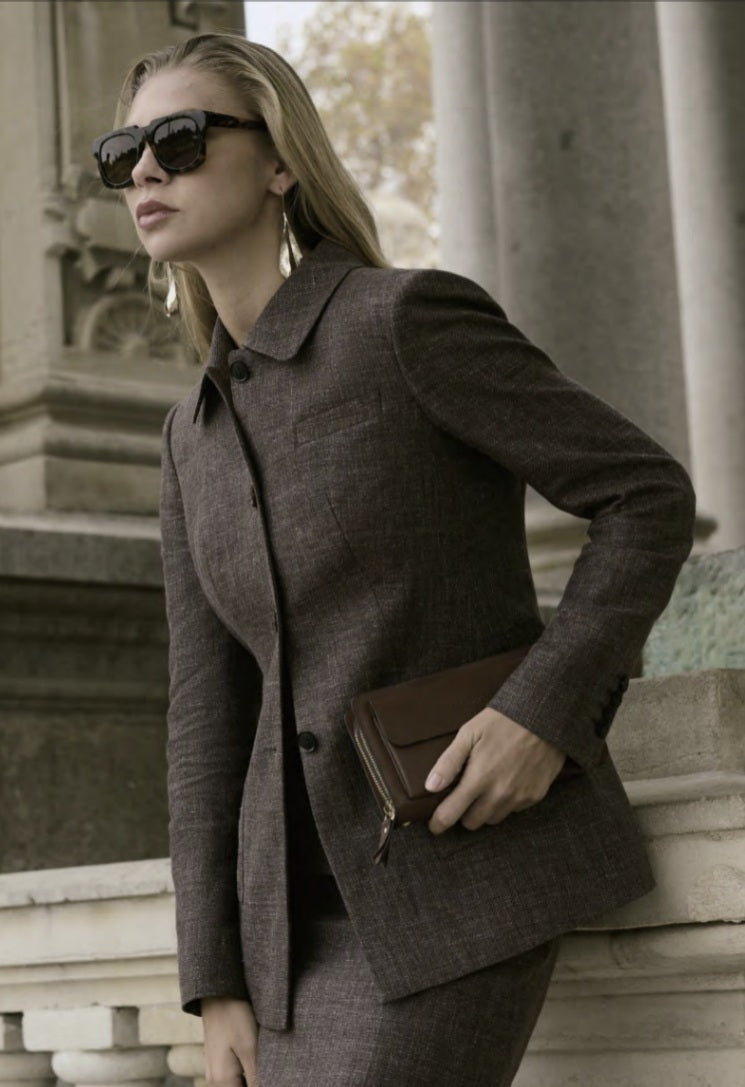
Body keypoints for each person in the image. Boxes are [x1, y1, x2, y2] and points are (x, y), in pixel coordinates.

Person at [92, 32, 696, 1087]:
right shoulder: (190, 433)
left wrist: (539, 711)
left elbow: (643, 497)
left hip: (459, 883)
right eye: (123, 151)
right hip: (286, 940)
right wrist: (218, 978)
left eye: (179, 139)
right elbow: (206, 713)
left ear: (278, 160)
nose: (144, 168)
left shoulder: (403, 323)